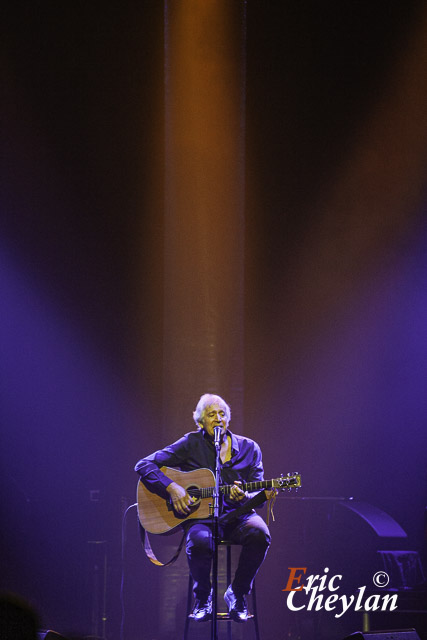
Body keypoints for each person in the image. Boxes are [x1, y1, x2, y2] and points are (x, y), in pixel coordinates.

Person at [135, 393, 274, 623]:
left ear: (228, 420)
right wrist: (172, 488)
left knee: (260, 534)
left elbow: (258, 497)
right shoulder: (190, 443)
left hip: (238, 516)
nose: (218, 418)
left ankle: (237, 594)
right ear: (200, 422)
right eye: (211, 415)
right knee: (199, 541)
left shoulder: (250, 448)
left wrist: (244, 496)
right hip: (201, 519)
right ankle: (203, 598)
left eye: (222, 414)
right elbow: (144, 464)